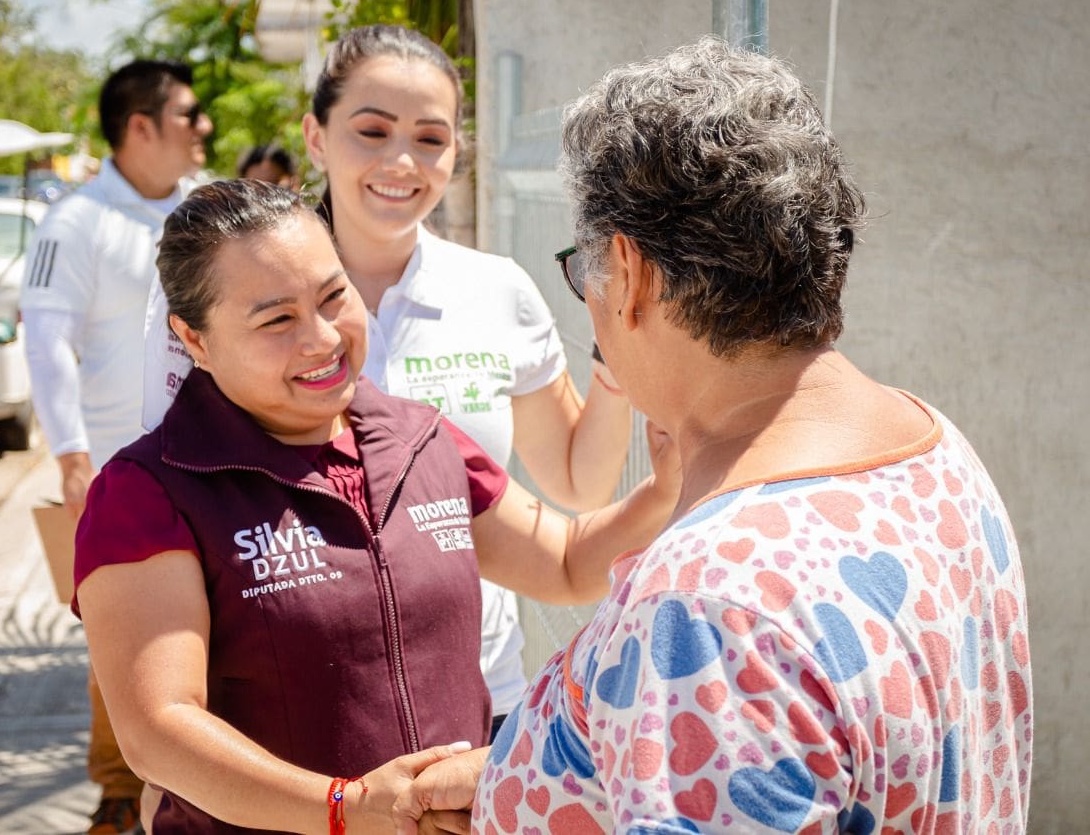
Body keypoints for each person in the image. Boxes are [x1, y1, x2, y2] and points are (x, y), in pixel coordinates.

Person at [393, 37, 1032, 834]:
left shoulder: (704, 605)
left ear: (628, 273)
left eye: (582, 269)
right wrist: (518, 776)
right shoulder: (933, 446)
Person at [74, 179, 677, 833]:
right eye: (276, 320)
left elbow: (565, 563)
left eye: (334, 296)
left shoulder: (421, 440)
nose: (322, 337)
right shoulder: (146, 492)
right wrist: (346, 808)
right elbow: (159, 728)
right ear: (194, 339)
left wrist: (669, 481)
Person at [142, 24, 636, 736]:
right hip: (289, 711)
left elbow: (577, 482)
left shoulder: (497, 289)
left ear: (458, 151)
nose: (402, 161)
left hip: (478, 693)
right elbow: (168, 496)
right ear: (315, 137)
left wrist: (617, 355)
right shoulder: (231, 299)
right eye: (372, 131)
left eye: (431, 138)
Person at [19, 59, 212, 835]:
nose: (203, 126)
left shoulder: (206, 206)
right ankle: (119, 792)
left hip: (212, 462)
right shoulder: (76, 222)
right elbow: (46, 341)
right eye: (188, 113)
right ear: (140, 126)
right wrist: (71, 456)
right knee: (125, 640)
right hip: (120, 472)